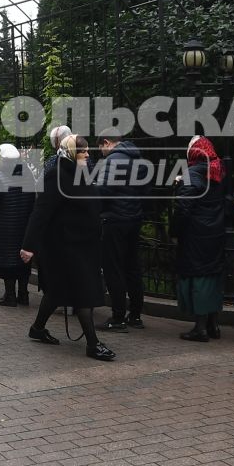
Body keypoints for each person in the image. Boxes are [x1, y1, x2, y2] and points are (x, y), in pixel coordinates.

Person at [20, 134, 115, 360]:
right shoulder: (56, 175)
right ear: (71, 152)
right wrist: (29, 246)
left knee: (55, 292)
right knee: (84, 293)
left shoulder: (82, 173)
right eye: (83, 151)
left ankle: (37, 328)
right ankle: (92, 343)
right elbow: (41, 211)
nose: (87, 154)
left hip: (85, 244)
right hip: (64, 246)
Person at [173, 136, 230, 342]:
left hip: (195, 235)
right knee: (212, 276)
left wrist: (175, 231)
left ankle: (199, 328)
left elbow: (183, 207)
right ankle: (213, 325)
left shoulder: (192, 173)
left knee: (198, 278)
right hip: (215, 232)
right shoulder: (219, 170)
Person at [95, 133, 147, 330]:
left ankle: (118, 317)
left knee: (113, 268)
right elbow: (144, 191)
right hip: (134, 219)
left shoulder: (112, 160)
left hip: (114, 219)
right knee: (132, 267)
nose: (102, 153)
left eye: (101, 148)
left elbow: (103, 192)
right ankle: (135, 315)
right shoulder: (139, 159)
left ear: (107, 143)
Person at [0, 144, 36, 305]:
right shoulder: (27, 172)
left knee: (7, 258)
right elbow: (32, 197)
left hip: (4, 224)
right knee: (22, 258)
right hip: (23, 223)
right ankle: (23, 294)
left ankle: (9, 295)